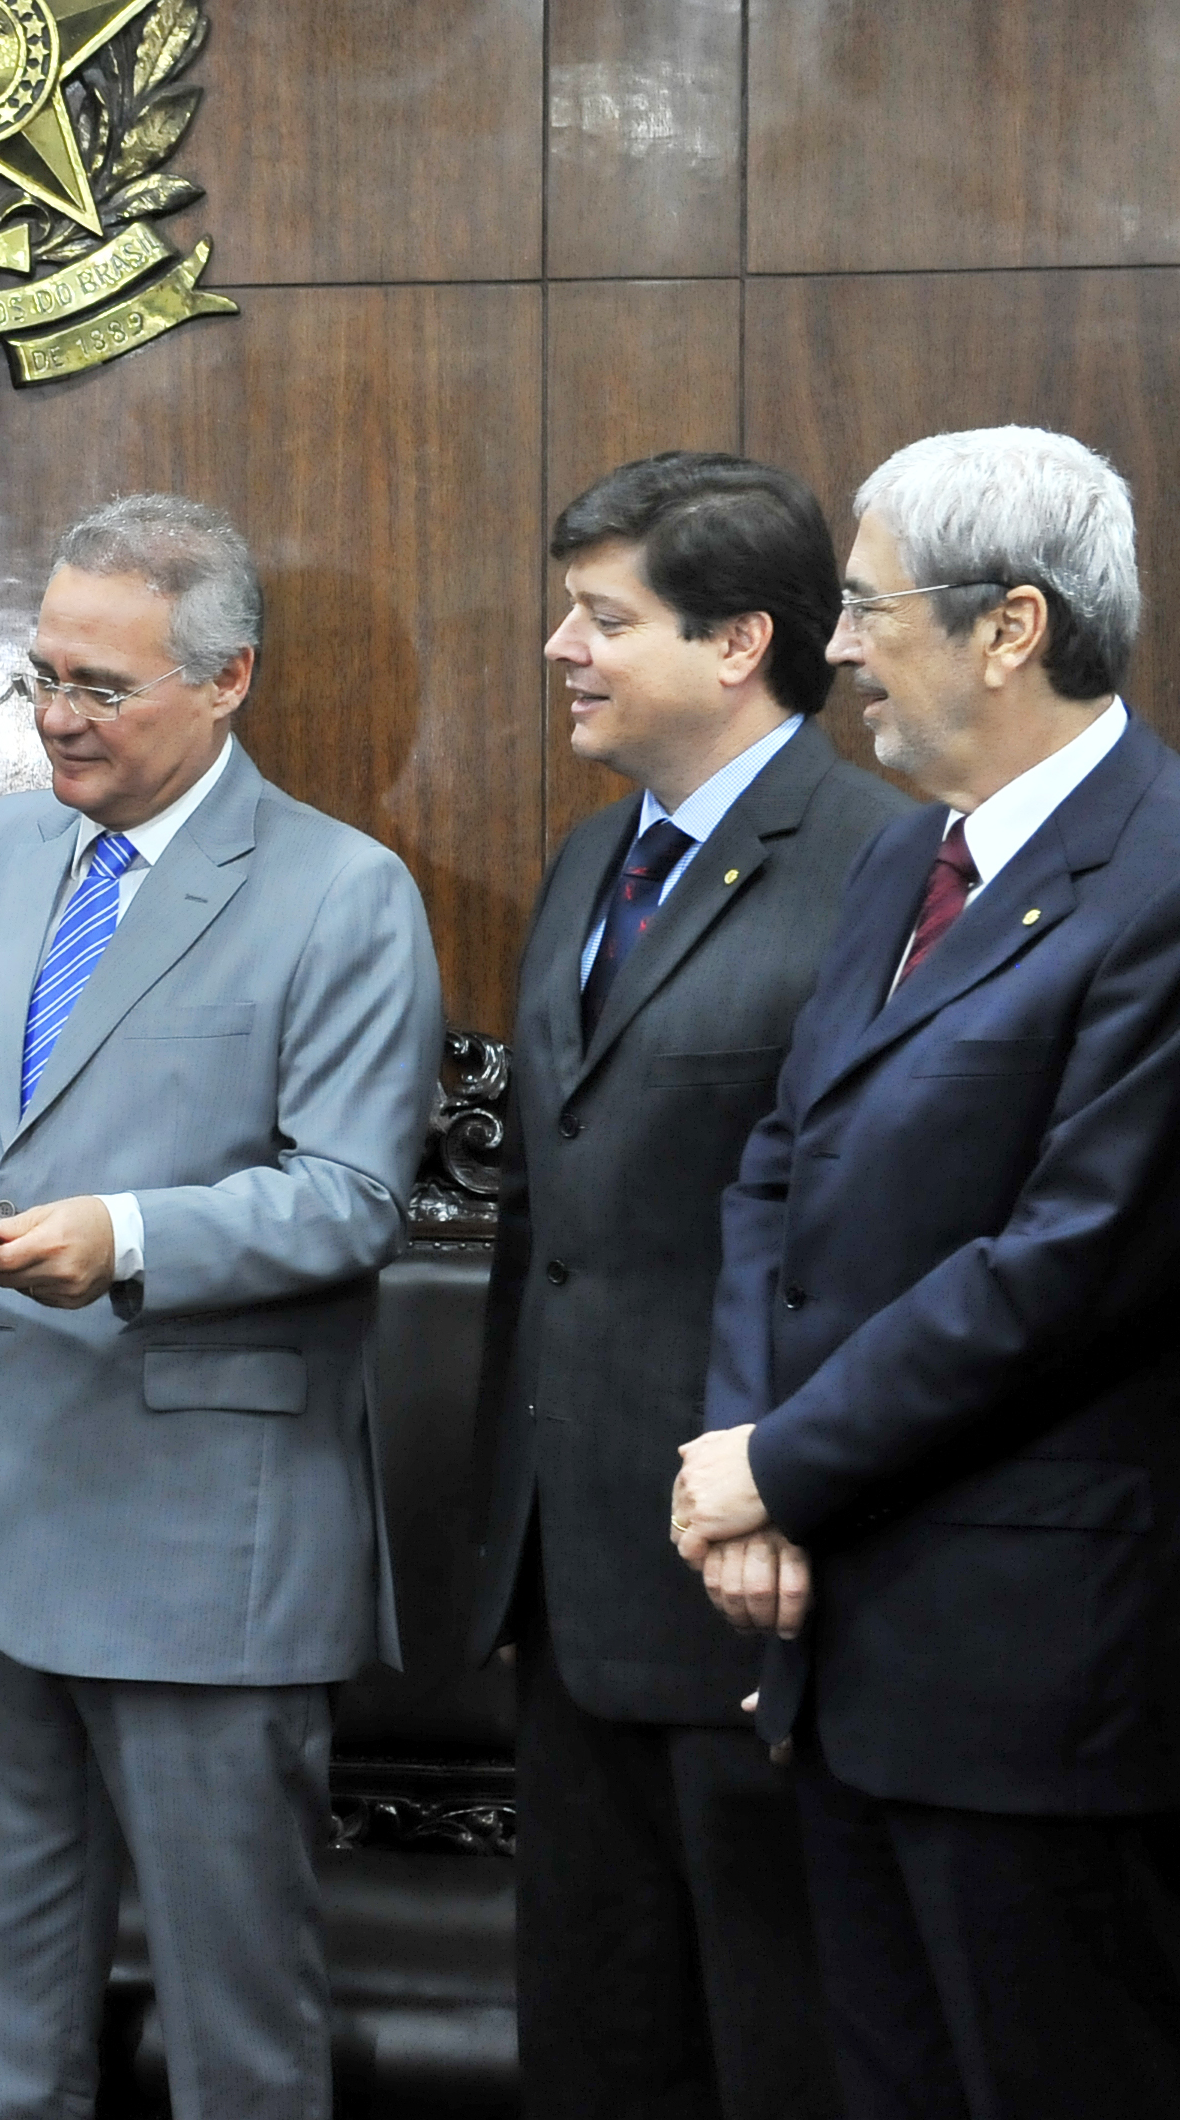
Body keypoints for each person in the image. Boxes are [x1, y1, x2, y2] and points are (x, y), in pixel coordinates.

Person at [0, 494, 440, 2120]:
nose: (59, 717)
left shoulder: (343, 894)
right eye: (42, 678)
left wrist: (127, 1235)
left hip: (207, 1549)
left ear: (227, 682)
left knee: (240, 2041)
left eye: (101, 687)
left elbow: (349, 1197)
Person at [675, 425, 1180, 2120]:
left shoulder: (1165, 875)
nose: (834, 648)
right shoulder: (910, 852)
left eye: (864, 606)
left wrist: (781, 1462)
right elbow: (778, 1165)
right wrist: (749, 1469)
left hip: (1039, 1668)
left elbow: (1071, 1262)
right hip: (843, 1636)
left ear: (1009, 627)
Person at [467, 453, 905, 2120]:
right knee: (594, 2039)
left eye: (602, 619)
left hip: (765, 1573)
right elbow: (546, 1215)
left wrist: (791, 1488)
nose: (560, 648)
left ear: (738, 643)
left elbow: (875, 1243)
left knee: (776, 2048)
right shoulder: (590, 864)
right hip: (569, 1575)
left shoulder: (883, 864)